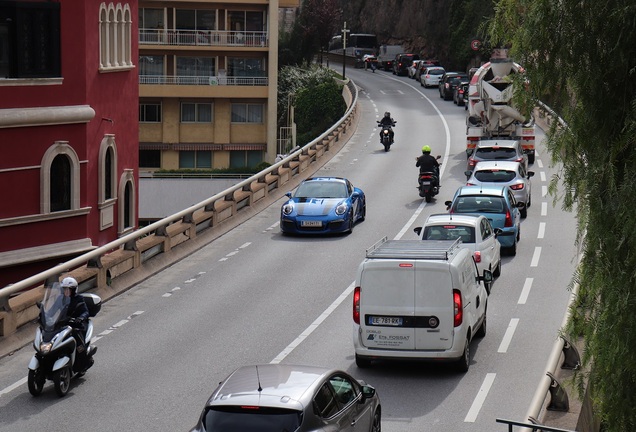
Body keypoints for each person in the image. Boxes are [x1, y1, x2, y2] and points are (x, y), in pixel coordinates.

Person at [61, 277, 90, 350]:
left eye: (69, 289)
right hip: (63, 323)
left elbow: (85, 311)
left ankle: (83, 353)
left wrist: (81, 318)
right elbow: (53, 308)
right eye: (64, 289)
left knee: (79, 345)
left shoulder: (79, 298)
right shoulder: (60, 299)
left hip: (75, 324)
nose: (66, 292)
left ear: (74, 290)